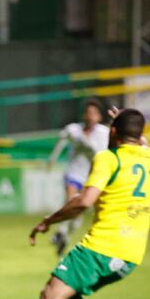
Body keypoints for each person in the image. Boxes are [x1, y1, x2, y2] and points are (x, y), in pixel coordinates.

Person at [20, 108, 150, 299]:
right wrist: (125, 123)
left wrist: (49, 220)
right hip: (131, 255)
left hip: (102, 246)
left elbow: (84, 201)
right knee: (70, 289)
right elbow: (141, 141)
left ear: (114, 132)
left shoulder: (108, 158)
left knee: (50, 294)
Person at [48, 99, 110, 256]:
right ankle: (60, 231)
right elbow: (61, 141)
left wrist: (87, 144)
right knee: (71, 202)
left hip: (91, 177)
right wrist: (52, 159)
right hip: (73, 173)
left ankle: (65, 237)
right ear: (84, 115)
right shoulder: (73, 130)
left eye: (94, 113)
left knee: (79, 211)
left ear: (99, 117)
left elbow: (101, 154)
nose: (90, 116)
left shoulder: (104, 133)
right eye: (88, 113)